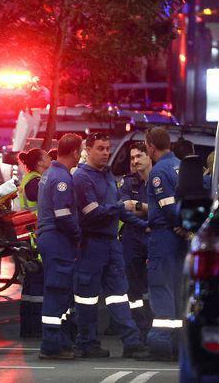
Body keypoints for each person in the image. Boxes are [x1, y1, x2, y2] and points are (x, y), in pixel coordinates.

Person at [72, 133, 148, 359]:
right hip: (91, 244)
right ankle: (86, 343)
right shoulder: (82, 177)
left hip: (110, 244)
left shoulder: (107, 175)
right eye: (101, 148)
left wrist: (144, 225)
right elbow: (92, 213)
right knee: (87, 298)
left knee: (119, 295)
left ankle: (131, 342)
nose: (106, 152)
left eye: (108, 148)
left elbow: (120, 210)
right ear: (88, 150)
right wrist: (119, 206)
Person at [37, 133, 83, 360]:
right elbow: (63, 215)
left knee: (59, 291)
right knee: (56, 292)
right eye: (80, 151)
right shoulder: (62, 179)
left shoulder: (50, 174)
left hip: (52, 239)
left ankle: (58, 342)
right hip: (58, 240)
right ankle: (51, 345)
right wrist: (78, 235)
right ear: (75, 152)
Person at [143, 127, 184, 361]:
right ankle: (179, 344)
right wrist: (187, 225)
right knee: (178, 290)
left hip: (164, 238)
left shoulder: (159, 172)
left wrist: (178, 222)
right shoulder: (183, 166)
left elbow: (168, 207)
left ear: (150, 146)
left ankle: (161, 344)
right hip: (180, 238)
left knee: (161, 289)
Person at [115, 142, 153, 340]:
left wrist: (139, 205)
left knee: (155, 284)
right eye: (132, 158)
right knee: (133, 287)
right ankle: (140, 328)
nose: (135, 161)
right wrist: (145, 222)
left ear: (149, 156)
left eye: (139, 156)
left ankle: (156, 328)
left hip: (155, 235)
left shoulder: (159, 179)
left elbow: (163, 208)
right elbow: (122, 209)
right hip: (133, 237)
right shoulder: (127, 182)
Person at [17, 148, 52, 338]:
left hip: (31, 237)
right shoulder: (35, 182)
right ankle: (35, 327)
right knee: (37, 285)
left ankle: (28, 327)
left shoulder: (31, 179)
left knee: (31, 286)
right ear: (39, 162)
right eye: (47, 157)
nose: (50, 159)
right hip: (35, 239)